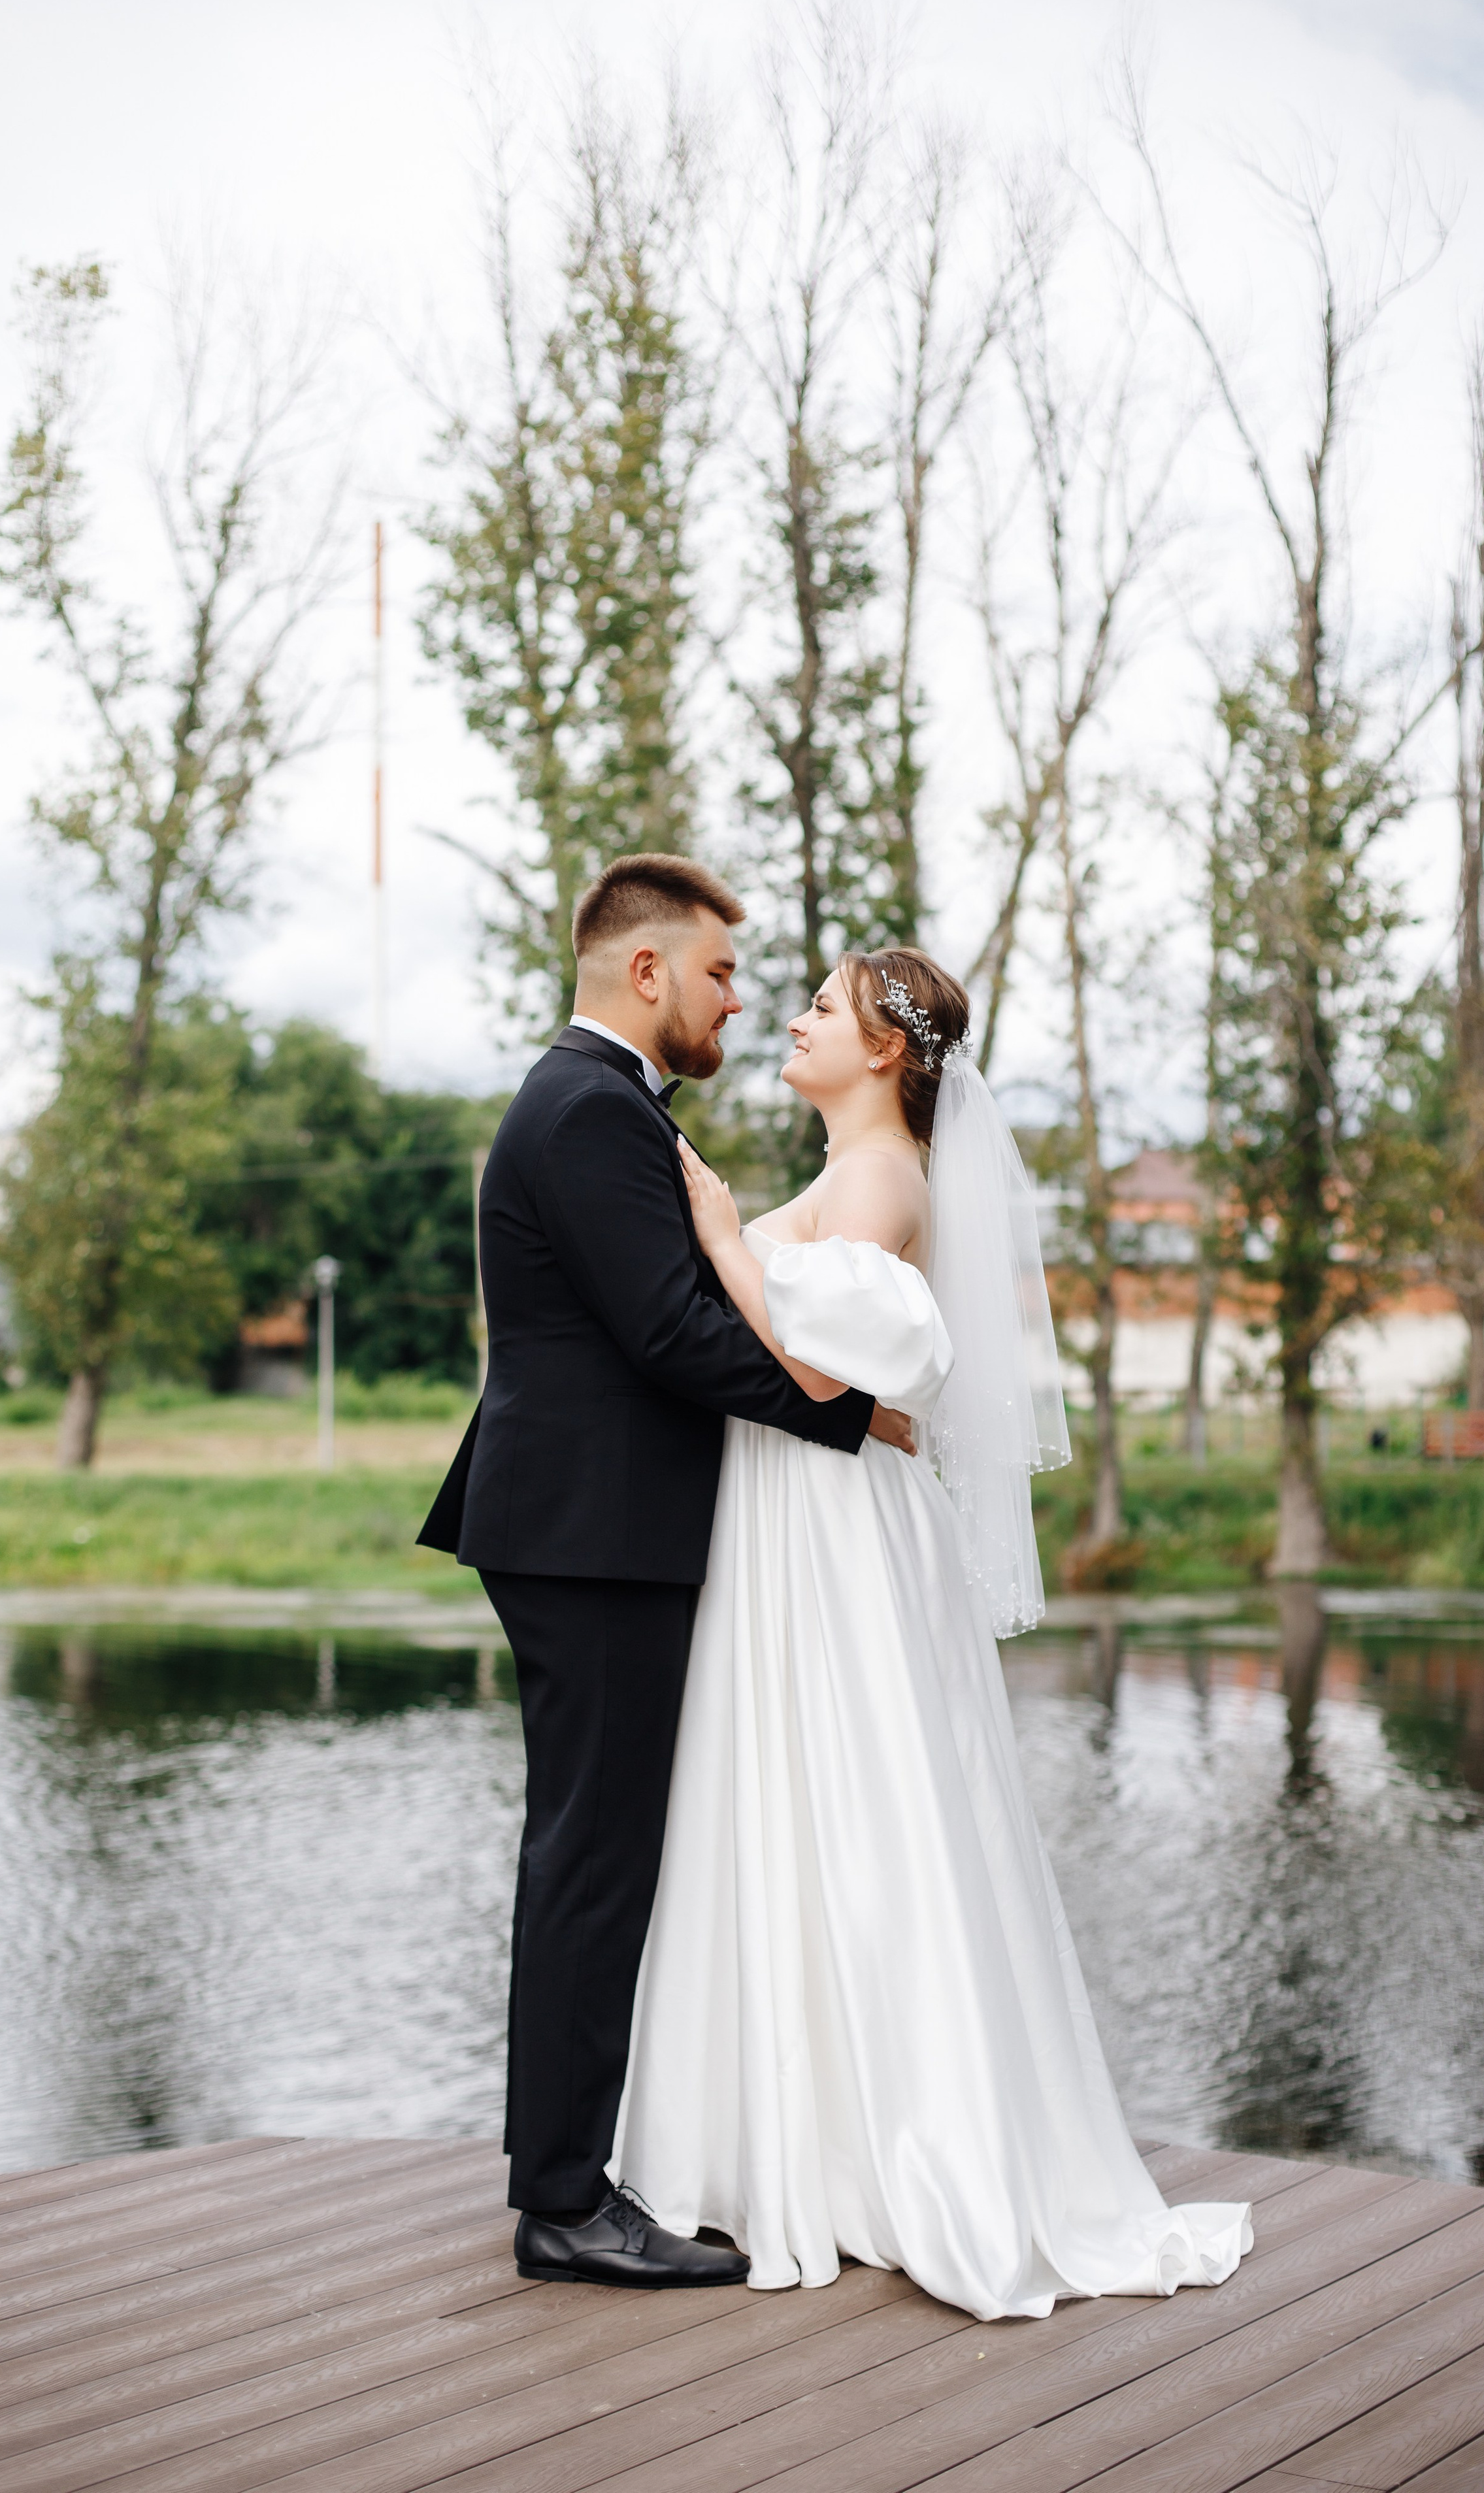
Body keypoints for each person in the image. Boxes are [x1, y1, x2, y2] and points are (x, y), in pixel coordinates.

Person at [611, 948, 1253, 2321]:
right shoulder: (860, 1172)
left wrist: (722, 1241)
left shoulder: (882, 1178)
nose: (793, 1020)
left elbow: (816, 1372)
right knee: (805, 1808)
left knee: (861, 1812)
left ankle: (885, 2148)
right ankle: (805, 2135)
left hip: (835, 1525)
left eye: (822, 1009)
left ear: (887, 1050)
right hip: (801, 1512)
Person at [418, 854, 914, 2291]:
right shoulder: (588, 1109)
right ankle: (564, 2204)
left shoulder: (602, 1103)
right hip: (590, 1533)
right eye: (719, 973)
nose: (737, 1002)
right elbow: (669, 1336)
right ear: (646, 972)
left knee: (597, 1850)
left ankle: (575, 2179)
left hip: (593, 1528)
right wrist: (849, 1418)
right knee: (591, 1857)